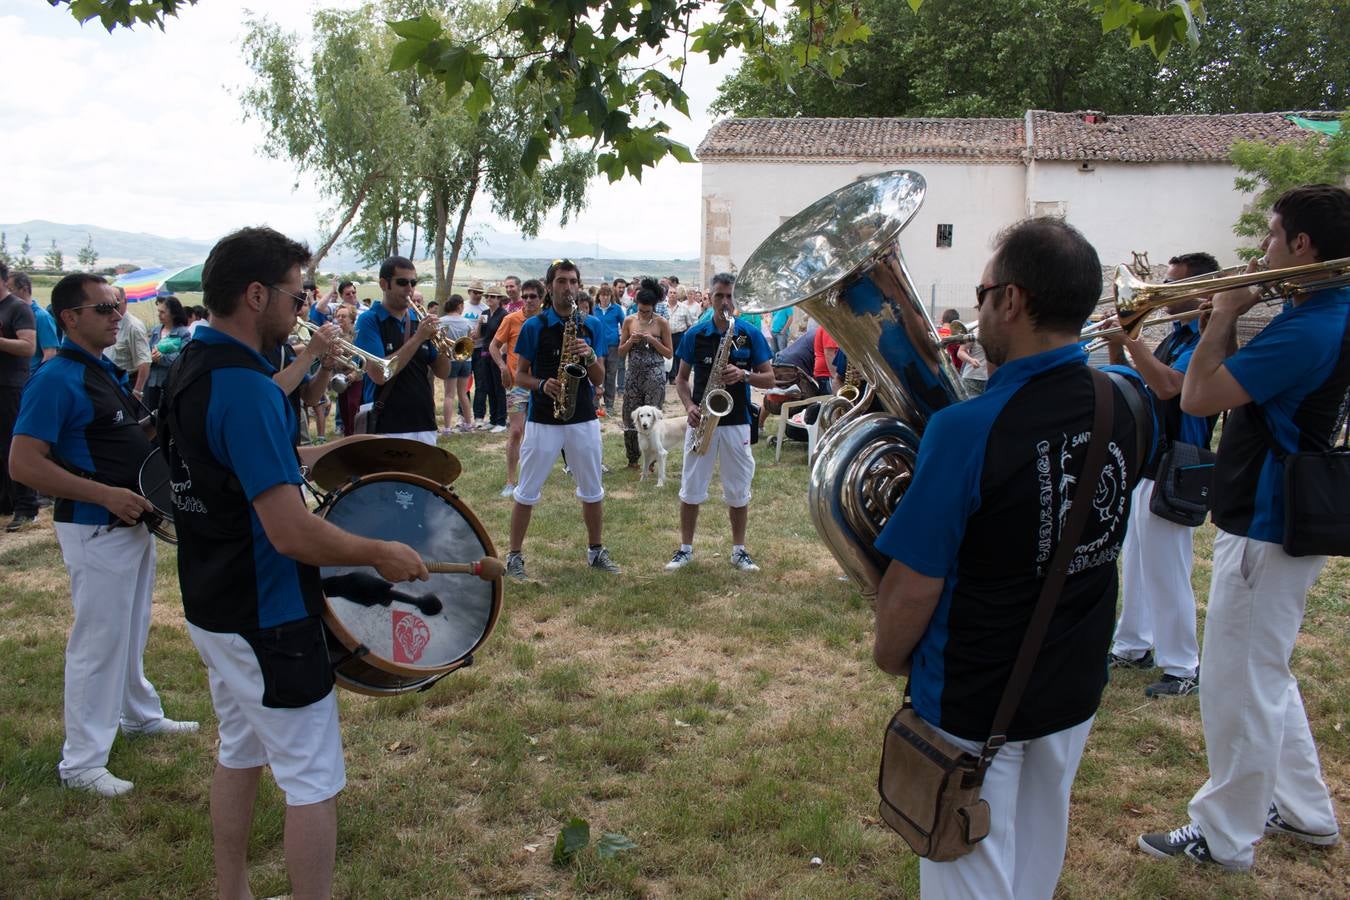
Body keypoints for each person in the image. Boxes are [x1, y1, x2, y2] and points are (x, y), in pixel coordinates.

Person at [873, 217, 1155, 898]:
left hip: (971, 699)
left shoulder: (965, 431)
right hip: (1073, 685)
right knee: (1033, 861)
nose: (977, 309)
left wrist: (887, 653)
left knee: (966, 874)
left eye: (982, 291)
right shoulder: (1129, 397)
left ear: (1013, 300)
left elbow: (913, 588)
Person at [161, 226, 427, 899]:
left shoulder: (193, 367)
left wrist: (331, 455)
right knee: (312, 779)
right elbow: (291, 534)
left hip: (213, 604)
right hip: (266, 614)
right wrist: (381, 552)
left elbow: (232, 467)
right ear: (256, 295)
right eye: (295, 293)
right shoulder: (245, 391)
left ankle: (232, 892)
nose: (302, 305)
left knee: (241, 749)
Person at [1139, 184, 1349, 870]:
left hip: (1267, 522)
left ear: (1301, 246)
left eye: (1270, 237)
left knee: (1238, 684)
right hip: (1276, 518)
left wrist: (1223, 315)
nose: (1258, 252)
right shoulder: (1320, 310)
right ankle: (1307, 812)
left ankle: (1225, 836)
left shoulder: (1312, 325)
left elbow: (1199, 395)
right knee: (1267, 674)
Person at [9, 272, 199, 798]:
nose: (118, 315)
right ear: (70, 318)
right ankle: (83, 762)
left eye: (118, 306)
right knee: (98, 642)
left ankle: (138, 713)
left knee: (130, 629)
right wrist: (105, 495)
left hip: (127, 520)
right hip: (97, 525)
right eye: (104, 309)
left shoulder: (99, 370)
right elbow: (24, 463)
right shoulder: (56, 378)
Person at [1104, 251, 1221, 698]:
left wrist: (1132, 338)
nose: (1164, 291)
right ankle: (1134, 645)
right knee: (1136, 562)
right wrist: (1119, 342)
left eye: (1173, 284)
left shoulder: (1207, 340)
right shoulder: (1176, 334)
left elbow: (1170, 386)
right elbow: (1140, 380)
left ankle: (1183, 665)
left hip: (1182, 461)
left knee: (1169, 569)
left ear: (1199, 290)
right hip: (1153, 459)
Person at [504, 259, 619, 579]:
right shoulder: (534, 326)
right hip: (543, 418)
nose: (567, 288)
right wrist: (542, 384)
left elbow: (599, 378)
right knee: (526, 491)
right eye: (561, 282)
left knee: (592, 489)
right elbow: (520, 375)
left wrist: (590, 355)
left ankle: (596, 550)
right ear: (550, 286)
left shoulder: (591, 325)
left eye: (572, 282)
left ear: (578, 285)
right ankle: (514, 556)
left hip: (582, 417)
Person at [667, 272, 774, 573]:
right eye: (719, 296)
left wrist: (745, 375)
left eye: (729, 296)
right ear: (709, 297)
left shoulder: (749, 334)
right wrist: (688, 406)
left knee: (738, 488)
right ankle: (685, 549)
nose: (725, 302)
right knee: (691, 486)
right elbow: (681, 379)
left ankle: (739, 550)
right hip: (702, 420)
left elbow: (770, 377)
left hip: (737, 419)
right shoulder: (695, 335)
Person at [353, 257, 451, 445]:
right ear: (384, 284)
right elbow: (379, 374)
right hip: (386, 425)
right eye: (402, 282)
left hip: (423, 422)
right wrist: (418, 337)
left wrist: (443, 345)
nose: (409, 288)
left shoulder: (418, 320)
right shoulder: (369, 320)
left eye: (413, 282)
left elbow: (443, 372)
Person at [489, 278, 543, 498]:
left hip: (540, 384)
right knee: (516, 431)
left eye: (533, 296)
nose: (528, 300)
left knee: (536, 434)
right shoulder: (511, 319)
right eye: (526, 296)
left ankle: (530, 478)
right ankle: (511, 481)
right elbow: (494, 346)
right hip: (516, 384)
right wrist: (502, 367)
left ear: (542, 298)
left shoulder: (545, 321)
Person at [619, 278, 673, 469]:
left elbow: (669, 352)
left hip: (654, 373)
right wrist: (630, 342)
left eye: (647, 311)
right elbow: (620, 351)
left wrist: (653, 340)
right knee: (630, 415)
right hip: (633, 373)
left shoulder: (662, 323)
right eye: (640, 310)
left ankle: (651, 460)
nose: (643, 314)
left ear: (653, 307)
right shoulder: (629, 320)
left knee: (652, 416)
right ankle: (632, 458)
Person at [0, 260, 38, 532]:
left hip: (10, 387)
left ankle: (27, 507)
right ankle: (6, 502)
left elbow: (28, 347)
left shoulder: (18, 308)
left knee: (12, 447)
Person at [104, 284, 152, 401]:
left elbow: (144, 361)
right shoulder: (107, 323)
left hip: (127, 383)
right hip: (109, 382)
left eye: (116, 302)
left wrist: (137, 391)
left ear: (125, 301)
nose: (112, 306)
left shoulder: (133, 327)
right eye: (109, 303)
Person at [438, 294, 476, 434]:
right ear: (460, 305)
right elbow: (471, 340)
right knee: (463, 393)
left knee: (449, 395)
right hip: (466, 360)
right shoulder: (467, 322)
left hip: (450, 360)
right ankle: (468, 424)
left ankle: (447, 428)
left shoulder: (441, 321)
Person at [144, 295, 190, 413]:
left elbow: (182, 357)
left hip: (171, 382)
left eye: (163, 312)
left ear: (174, 313)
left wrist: (161, 359)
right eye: (158, 311)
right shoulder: (155, 330)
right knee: (152, 414)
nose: (159, 315)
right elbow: (147, 351)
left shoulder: (183, 333)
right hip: (152, 382)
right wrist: (151, 356)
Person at [475, 285, 509, 432]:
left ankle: (501, 421)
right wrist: (478, 324)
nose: (489, 299)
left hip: (497, 354)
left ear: (499, 299)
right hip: (484, 353)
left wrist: (501, 354)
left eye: (493, 296)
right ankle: (493, 419)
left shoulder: (504, 315)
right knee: (488, 387)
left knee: (499, 387)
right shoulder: (484, 313)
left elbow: (506, 337)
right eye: (487, 296)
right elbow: (480, 334)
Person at [10, 273, 58, 374]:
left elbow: (50, 353)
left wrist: (35, 380)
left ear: (24, 289)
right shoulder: (10, 314)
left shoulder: (41, 317)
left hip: (26, 380)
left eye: (10, 290)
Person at [330, 305, 364, 438]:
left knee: (353, 407)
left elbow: (363, 359)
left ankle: (356, 437)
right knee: (343, 409)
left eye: (343, 316)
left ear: (352, 319)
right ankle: (348, 436)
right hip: (341, 377)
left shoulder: (358, 335)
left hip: (356, 378)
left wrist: (355, 374)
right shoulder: (336, 335)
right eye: (338, 316)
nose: (340, 319)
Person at [594, 282, 626, 415]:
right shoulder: (593, 309)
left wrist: (622, 341)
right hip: (596, 346)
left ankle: (609, 405)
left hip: (612, 345)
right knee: (596, 375)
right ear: (599, 297)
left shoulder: (617, 309)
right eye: (603, 295)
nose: (605, 297)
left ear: (611, 296)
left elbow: (625, 325)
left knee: (611, 375)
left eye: (607, 295)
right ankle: (595, 404)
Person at [668, 286, 701, 386]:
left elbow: (689, 323)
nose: (673, 295)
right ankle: (670, 376)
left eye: (674, 293)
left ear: (677, 295)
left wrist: (685, 334)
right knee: (669, 356)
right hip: (667, 335)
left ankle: (677, 376)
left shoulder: (684, 307)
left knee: (678, 356)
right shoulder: (663, 307)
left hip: (679, 334)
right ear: (668, 294)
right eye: (671, 293)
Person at [812, 326, 841, 394]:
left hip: (827, 375)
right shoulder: (830, 327)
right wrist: (836, 378)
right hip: (827, 375)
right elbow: (829, 353)